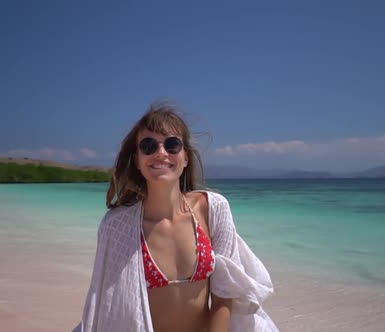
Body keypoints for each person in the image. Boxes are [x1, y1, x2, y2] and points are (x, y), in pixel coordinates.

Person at [74, 102, 277, 332]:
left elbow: (224, 297)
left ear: (186, 157)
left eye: (172, 144)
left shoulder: (213, 209)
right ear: (138, 161)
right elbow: (109, 307)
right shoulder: (117, 227)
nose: (161, 153)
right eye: (148, 146)